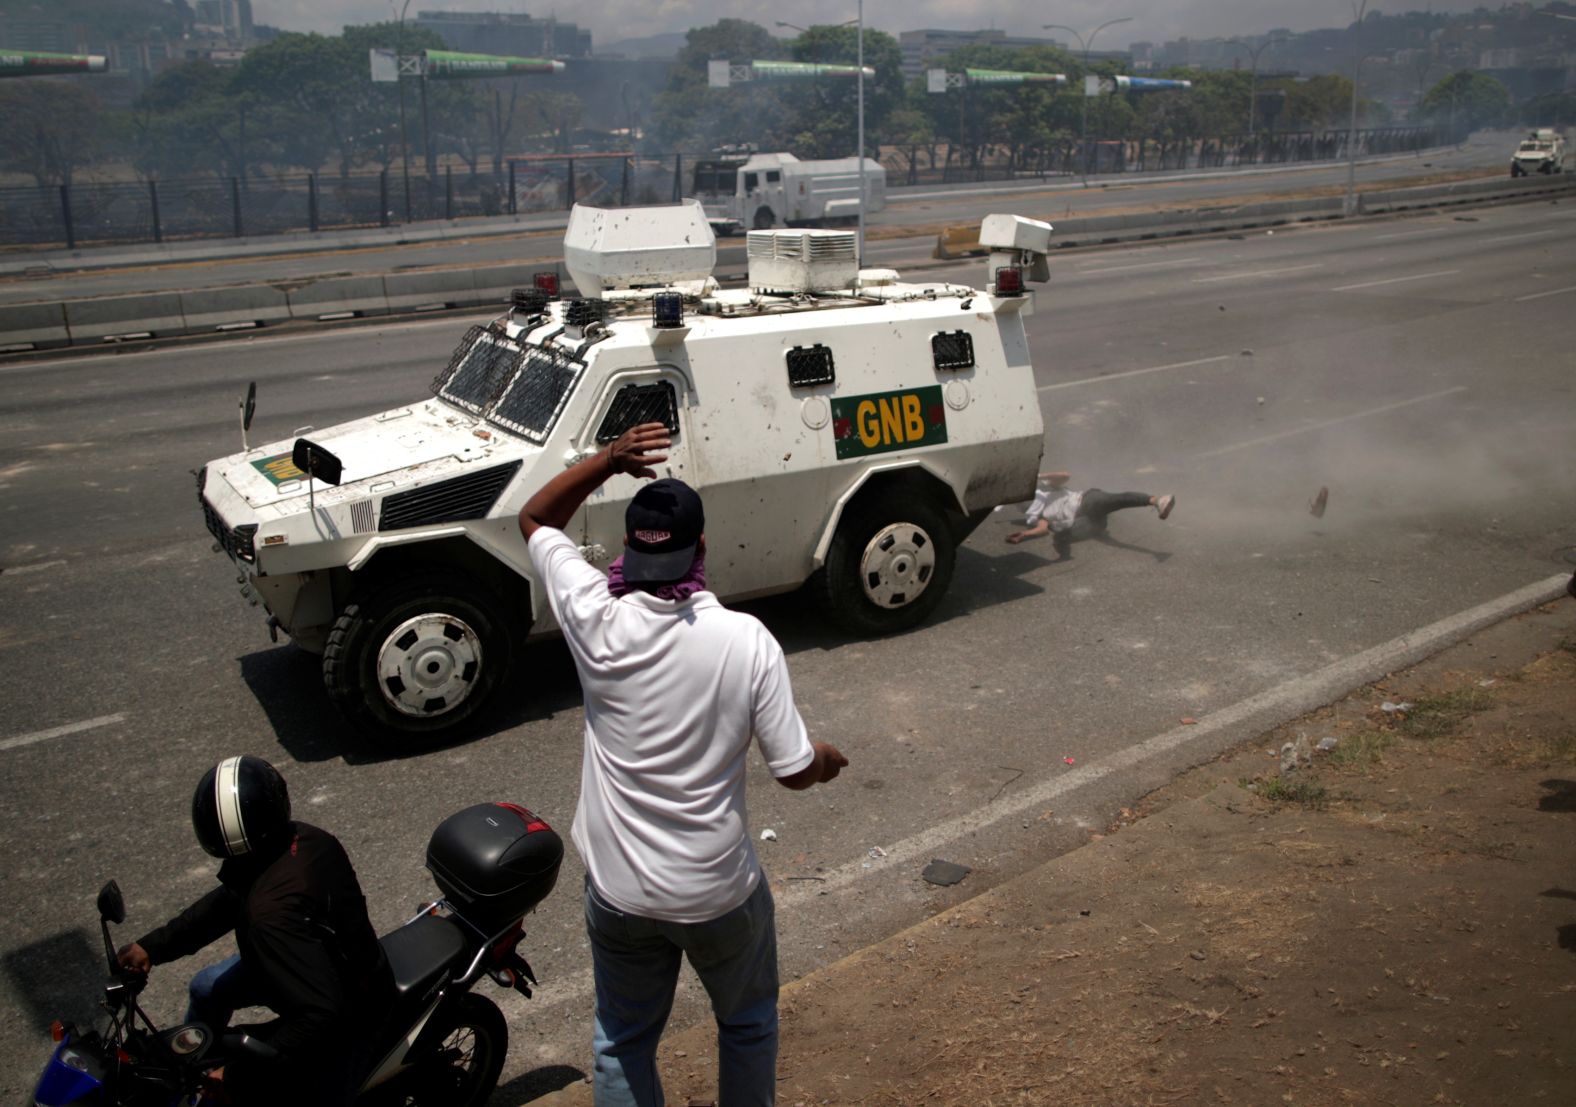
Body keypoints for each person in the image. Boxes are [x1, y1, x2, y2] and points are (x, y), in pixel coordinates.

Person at [517, 421, 847, 1107]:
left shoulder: (591, 615)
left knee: (621, 1039)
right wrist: (825, 759)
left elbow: (535, 517)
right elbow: (792, 768)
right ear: (702, 547)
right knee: (748, 1024)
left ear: (628, 551)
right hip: (717, 890)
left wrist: (608, 460)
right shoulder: (745, 640)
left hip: (619, 890)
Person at [115, 755, 393, 1107]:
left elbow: (322, 1015)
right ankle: (191, 1065)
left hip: (350, 1008)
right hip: (302, 962)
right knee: (206, 987)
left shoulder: (268, 917)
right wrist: (152, 947)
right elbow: (225, 902)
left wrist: (236, 1078)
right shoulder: (301, 839)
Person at [1005, 470, 1175, 559]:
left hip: (1086, 500)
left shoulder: (1049, 490)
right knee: (1061, 531)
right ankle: (1078, 525)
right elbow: (1042, 530)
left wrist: (1038, 475)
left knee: (1116, 500)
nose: (1023, 506)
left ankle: (1156, 500)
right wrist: (1024, 534)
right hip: (1088, 518)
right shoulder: (1040, 515)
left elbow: (1065, 475)